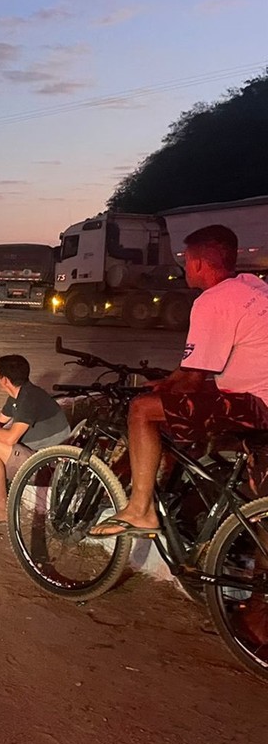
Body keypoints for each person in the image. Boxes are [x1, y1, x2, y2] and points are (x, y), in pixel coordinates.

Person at [89, 224, 268, 538]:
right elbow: (195, 366)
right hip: (253, 392)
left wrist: (165, 392)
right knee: (168, 404)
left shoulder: (211, 301)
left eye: (186, 260)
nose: (185, 266)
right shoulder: (251, 286)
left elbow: (193, 380)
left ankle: (140, 510)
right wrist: (167, 384)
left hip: (256, 405)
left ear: (197, 263)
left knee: (143, 410)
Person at [0, 354, 72, 525]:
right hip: (37, 454)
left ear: (5, 379)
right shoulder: (19, 394)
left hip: (49, 467)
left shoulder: (28, 399)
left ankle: (1, 510)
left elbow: (9, 439)